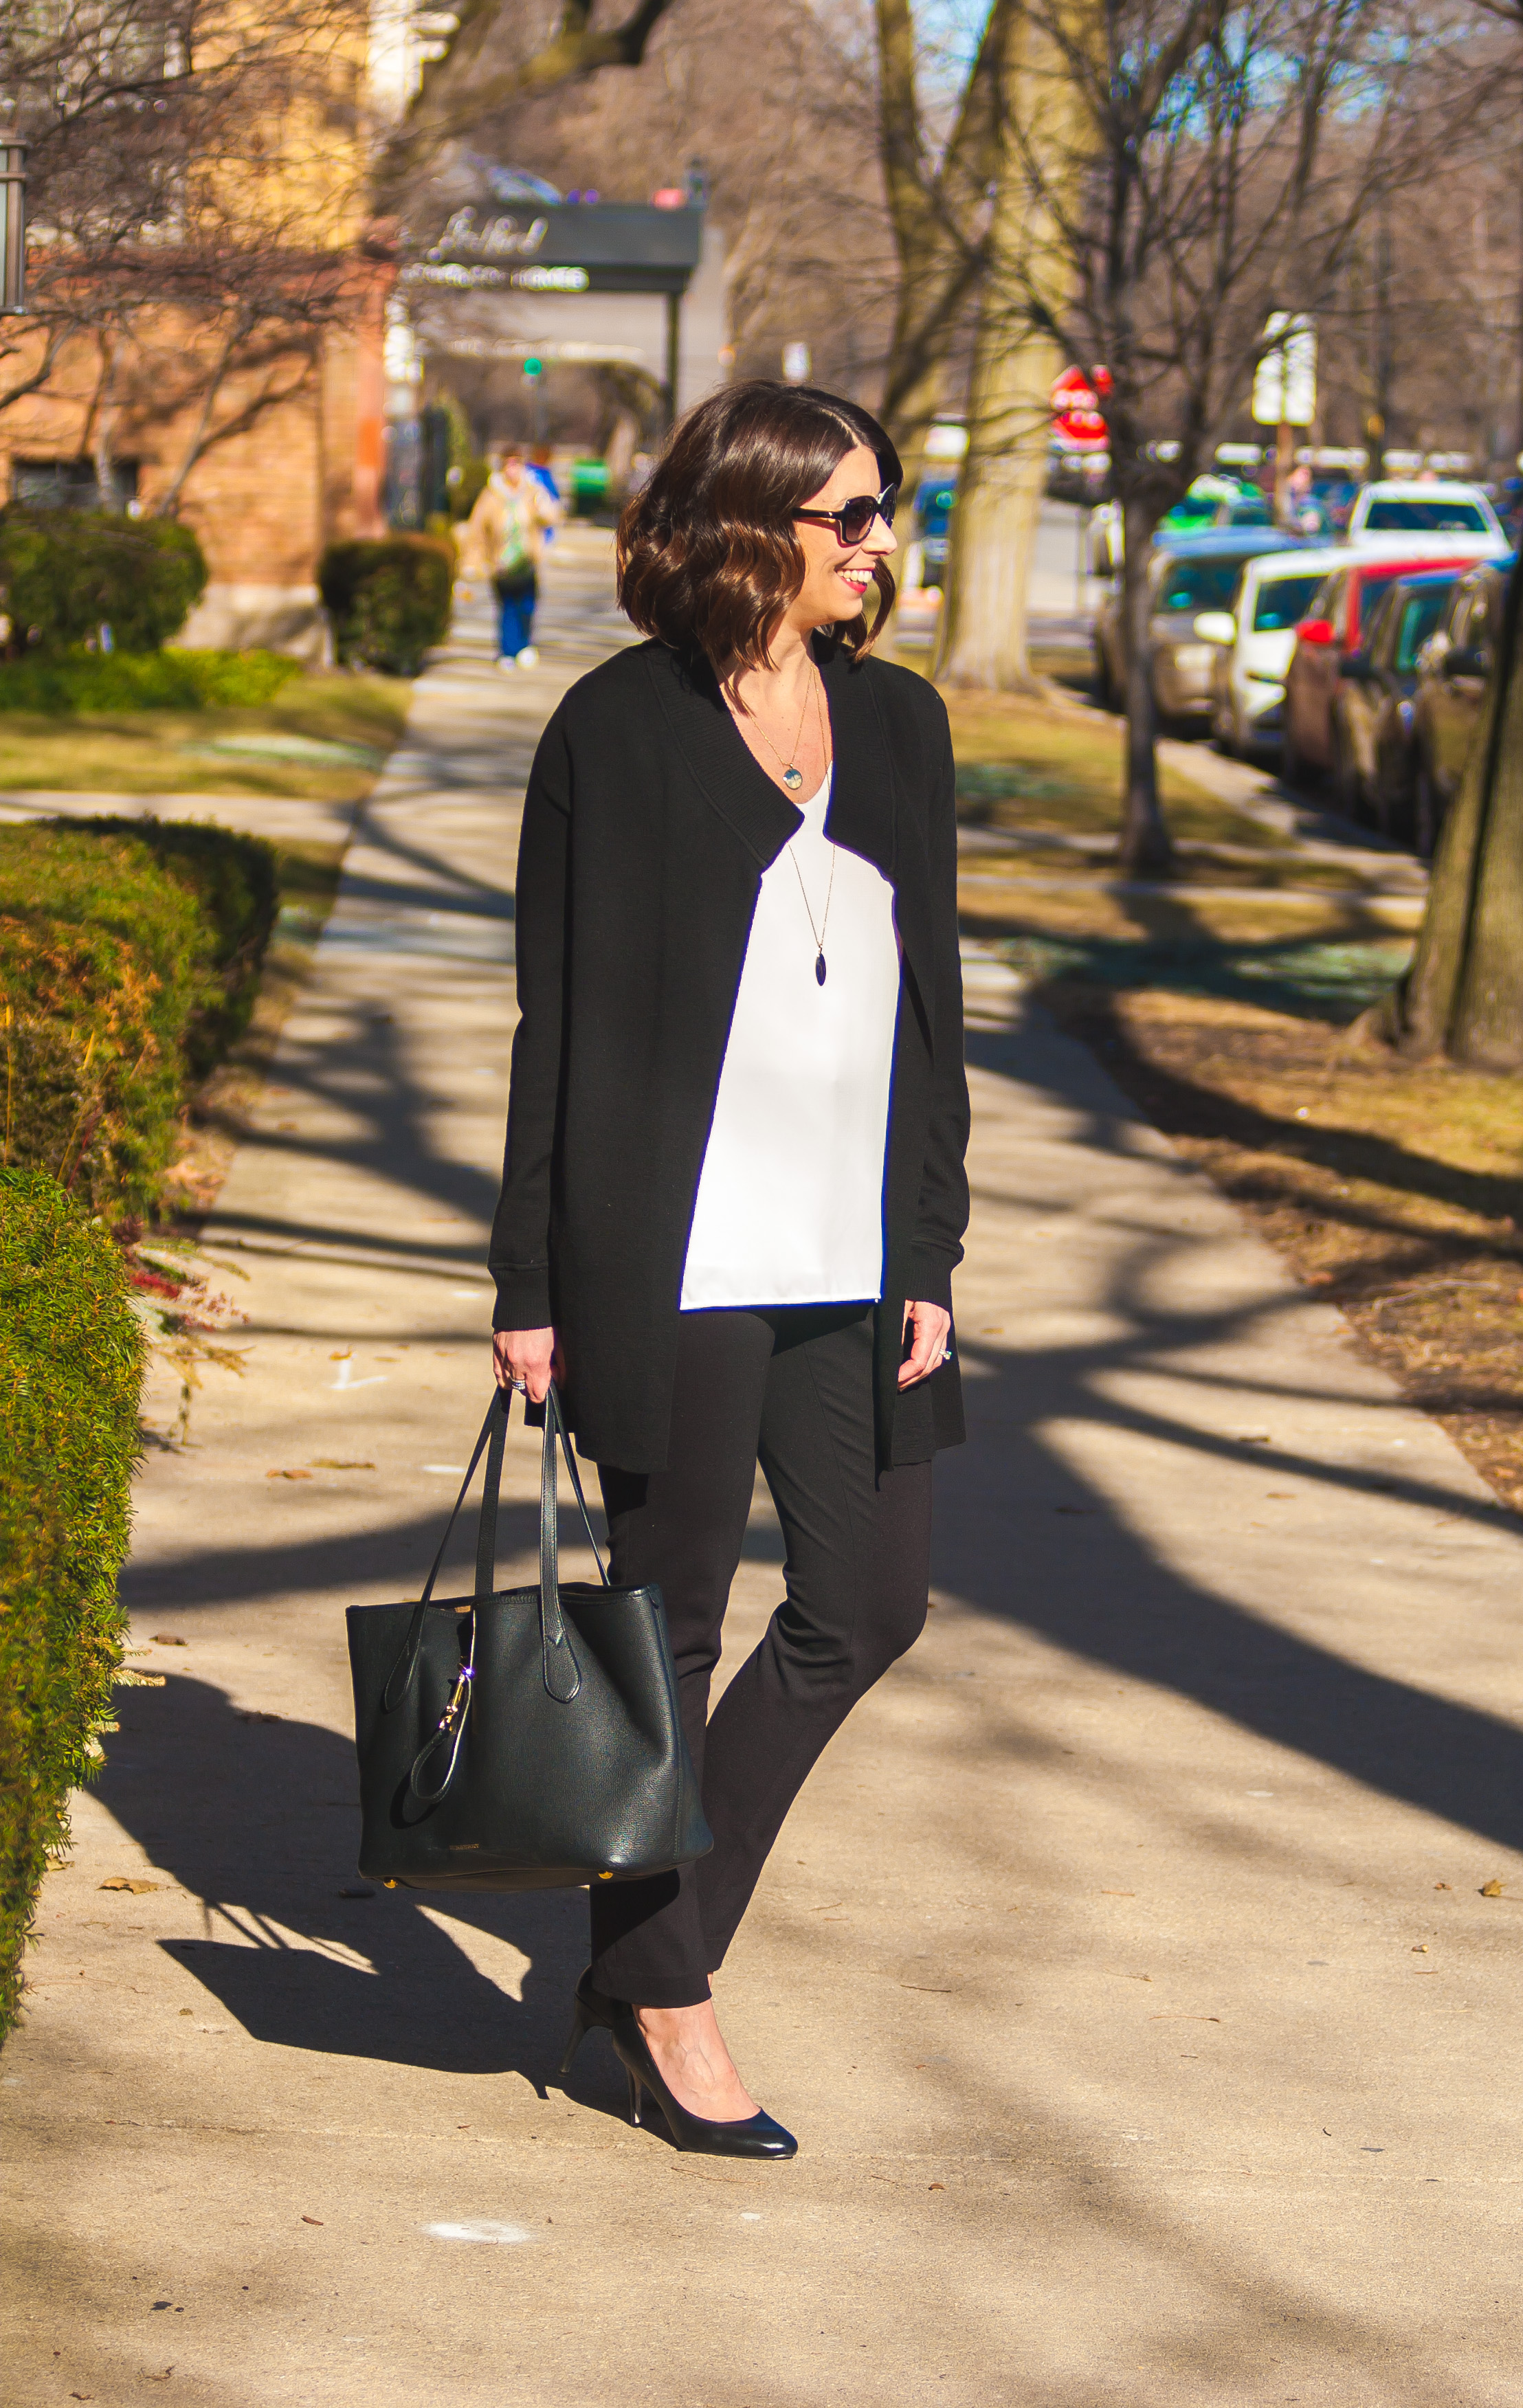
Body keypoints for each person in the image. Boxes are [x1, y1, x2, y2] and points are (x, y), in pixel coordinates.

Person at [489, 379, 970, 2161]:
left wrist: (932, 1244)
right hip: (672, 1256)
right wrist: (528, 1278)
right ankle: (668, 1999)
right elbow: (555, 1023)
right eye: (850, 513)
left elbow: (934, 1008)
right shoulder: (615, 732)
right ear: (754, 525)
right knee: (667, 1629)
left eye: (884, 509)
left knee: (870, 1602)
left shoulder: (899, 723)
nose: (877, 542)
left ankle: (644, 1956)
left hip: (851, 1258)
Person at [460, 444, 560, 669]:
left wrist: (542, 508)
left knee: (527, 606)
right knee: (507, 608)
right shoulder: (491, 494)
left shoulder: (533, 491)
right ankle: (508, 651)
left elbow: (552, 517)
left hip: (527, 560)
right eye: (508, 464)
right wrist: (472, 562)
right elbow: (477, 530)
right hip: (501, 562)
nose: (513, 469)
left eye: (517, 463)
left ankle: (524, 646)